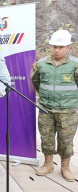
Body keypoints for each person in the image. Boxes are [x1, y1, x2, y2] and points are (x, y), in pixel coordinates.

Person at [31, 29, 77, 182]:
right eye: (54, 46)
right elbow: (36, 82)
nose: (56, 50)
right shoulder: (41, 64)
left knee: (66, 140)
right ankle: (48, 164)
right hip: (46, 109)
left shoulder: (75, 65)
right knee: (47, 138)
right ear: (50, 46)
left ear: (68, 48)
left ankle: (65, 167)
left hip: (67, 111)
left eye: (61, 47)